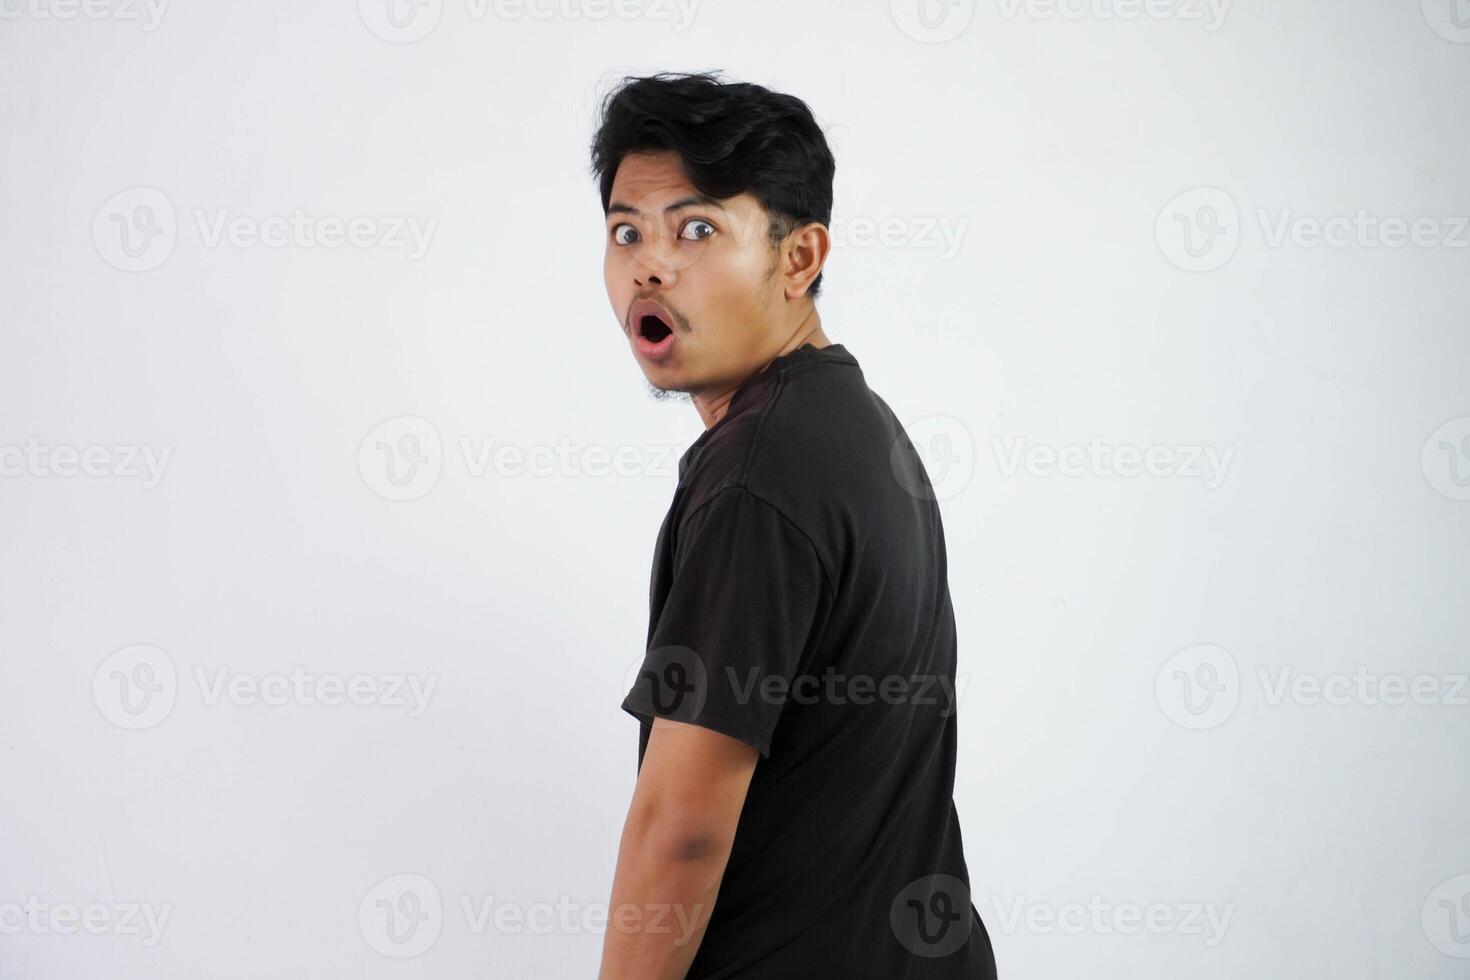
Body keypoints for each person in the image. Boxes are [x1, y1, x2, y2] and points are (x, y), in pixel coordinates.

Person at [591, 70, 997, 980]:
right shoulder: (855, 425)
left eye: (696, 228)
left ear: (799, 257)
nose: (648, 265)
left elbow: (680, 831)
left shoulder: (760, 472)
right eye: (626, 232)